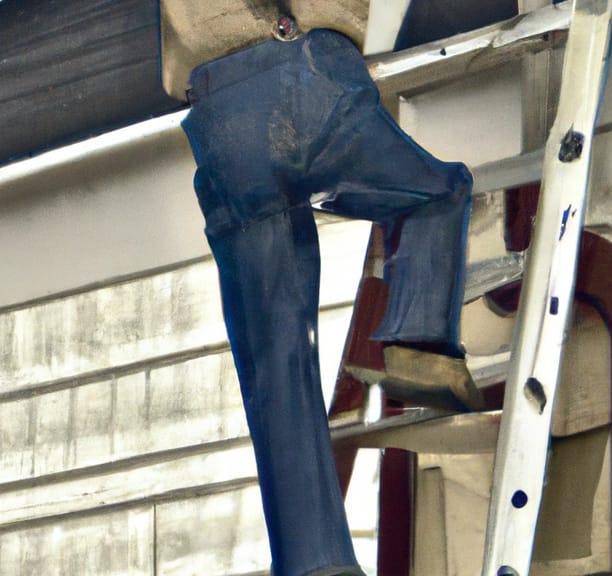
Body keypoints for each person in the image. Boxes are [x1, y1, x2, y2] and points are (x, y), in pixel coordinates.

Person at [180, 25, 472, 576]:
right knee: (438, 193)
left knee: (274, 366)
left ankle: (316, 562)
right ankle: (421, 343)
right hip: (303, 77)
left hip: (218, 123)